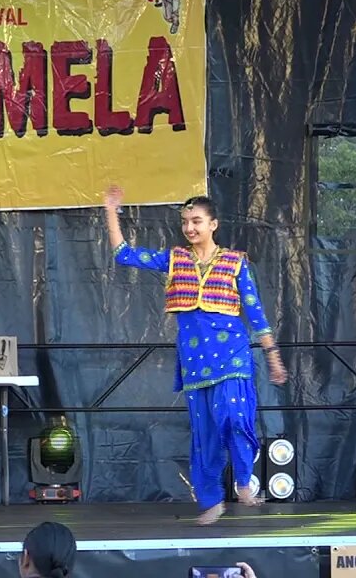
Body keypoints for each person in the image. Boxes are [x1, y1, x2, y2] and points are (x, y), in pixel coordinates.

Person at [102, 186, 287, 526]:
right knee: (206, 435)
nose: (189, 228)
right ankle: (212, 500)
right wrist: (111, 211)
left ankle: (244, 480)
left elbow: (255, 313)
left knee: (234, 419)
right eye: (185, 222)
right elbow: (124, 255)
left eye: (196, 221)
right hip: (196, 363)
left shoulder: (235, 263)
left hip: (232, 357)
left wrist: (272, 357)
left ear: (213, 224)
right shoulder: (175, 259)